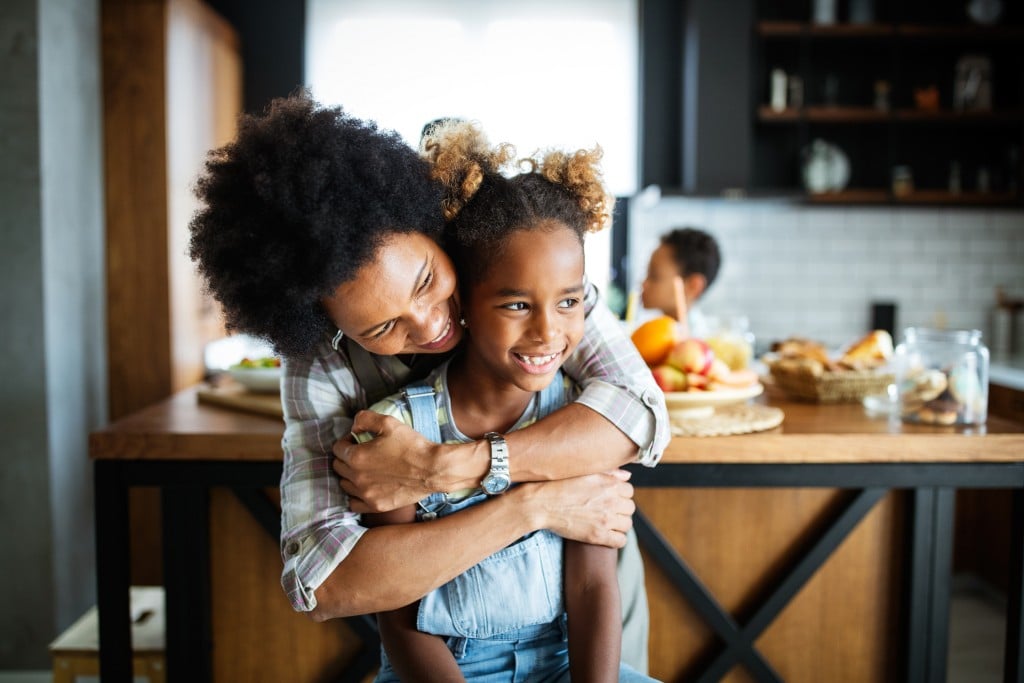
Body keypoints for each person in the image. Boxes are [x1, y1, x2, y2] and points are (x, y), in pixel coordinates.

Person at [188, 92, 669, 672]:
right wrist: (534, 506)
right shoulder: (322, 368)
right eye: (384, 325)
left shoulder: (523, 279)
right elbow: (328, 580)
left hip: (582, 615)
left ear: (434, 230)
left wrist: (446, 468)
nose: (432, 323)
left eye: (426, 281)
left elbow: (639, 413)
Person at [360, 121, 656, 681]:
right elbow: (399, 621)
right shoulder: (400, 432)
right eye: (517, 305)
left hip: (562, 665)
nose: (548, 332)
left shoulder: (579, 421)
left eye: (569, 301)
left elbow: (594, 584)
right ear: (462, 305)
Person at [640, 227, 721, 338]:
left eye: (654, 276)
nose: (643, 284)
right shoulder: (649, 333)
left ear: (693, 286)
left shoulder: (696, 344)